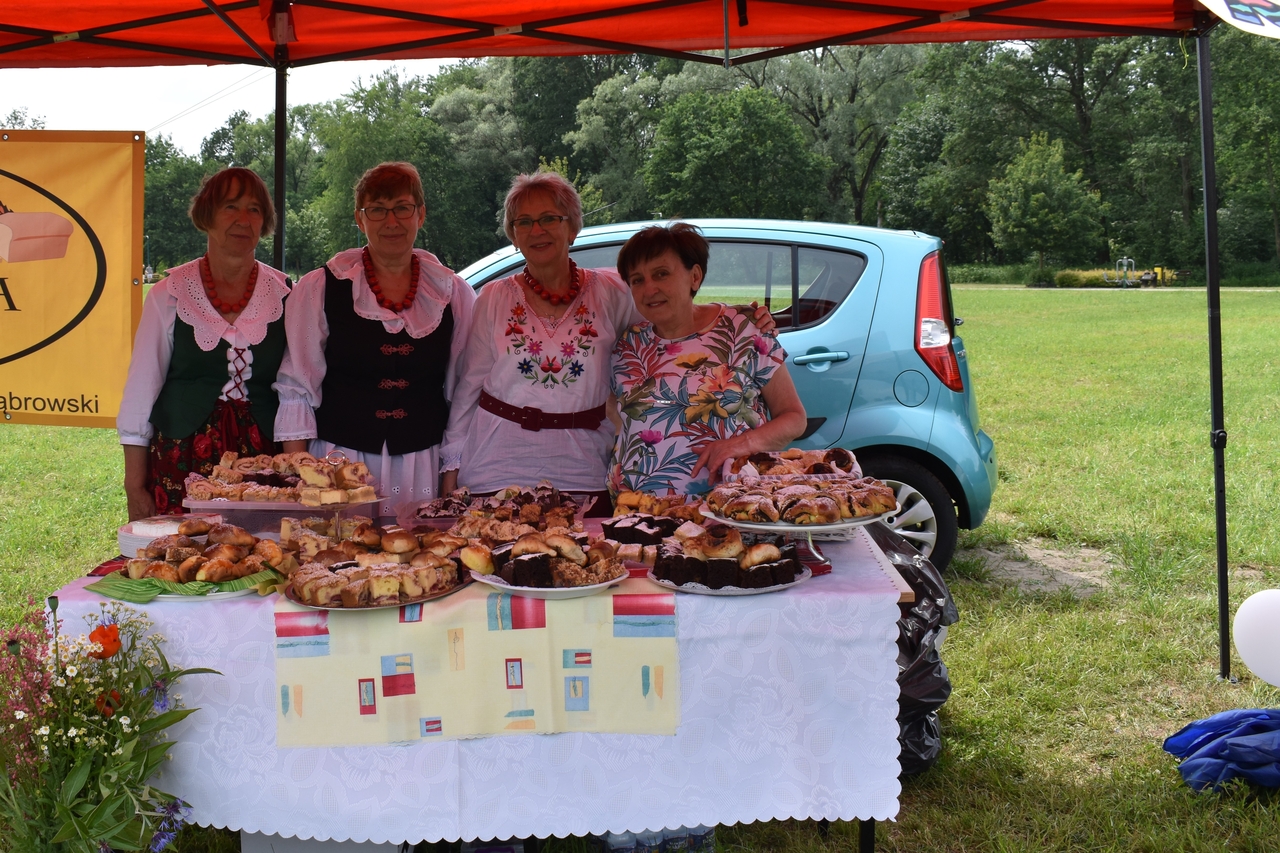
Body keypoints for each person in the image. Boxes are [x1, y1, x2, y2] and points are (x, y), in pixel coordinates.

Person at [441, 171, 777, 509]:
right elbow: (468, 388)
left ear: (572, 228)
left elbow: (670, 319)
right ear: (513, 236)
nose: (536, 230)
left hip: (584, 465)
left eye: (549, 218)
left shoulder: (612, 291)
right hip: (497, 463)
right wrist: (451, 466)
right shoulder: (494, 298)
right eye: (523, 222)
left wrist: (733, 316)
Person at [273, 162, 475, 519]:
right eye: (377, 210)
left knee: (416, 551)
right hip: (337, 460)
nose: (391, 221)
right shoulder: (320, 288)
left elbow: (463, 392)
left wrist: (451, 470)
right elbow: (297, 386)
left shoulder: (453, 293)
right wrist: (300, 476)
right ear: (360, 219)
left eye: (402, 208)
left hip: (420, 461)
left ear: (421, 214)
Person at [117, 167, 290, 521]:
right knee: (184, 553)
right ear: (207, 216)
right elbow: (140, 392)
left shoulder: (287, 295)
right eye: (231, 207)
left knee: (264, 552)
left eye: (254, 209)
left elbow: (297, 390)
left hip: (264, 464)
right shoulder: (169, 295)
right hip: (182, 460)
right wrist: (134, 484)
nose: (243, 219)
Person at [609, 223, 807, 496]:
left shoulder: (742, 329)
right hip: (636, 509)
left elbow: (794, 418)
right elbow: (616, 421)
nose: (649, 288)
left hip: (729, 507)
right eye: (637, 280)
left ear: (694, 277)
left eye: (661, 274)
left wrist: (738, 445)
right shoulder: (627, 344)